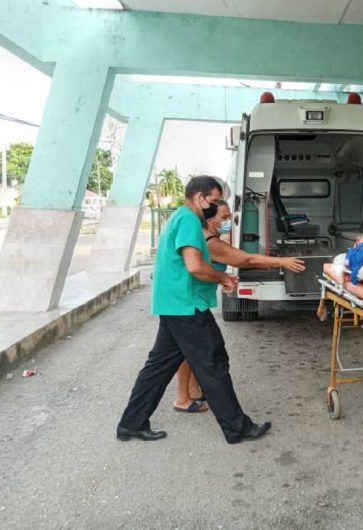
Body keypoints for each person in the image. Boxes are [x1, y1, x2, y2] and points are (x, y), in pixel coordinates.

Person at [117, 176, 271, 444]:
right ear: (200, 197)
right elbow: (195, 266)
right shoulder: (189, 219)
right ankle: (237, 428)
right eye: (214, 200)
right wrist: (222, 278)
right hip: (185, 306)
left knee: (158, 368)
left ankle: (131, 423)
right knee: (213, 363)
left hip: (173, 304)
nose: (216, 208)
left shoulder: (179, 216)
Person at [173, 199, 307, 412]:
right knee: (196, 352)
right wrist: (282, 262)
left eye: (230, 217)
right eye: (224, 218)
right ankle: (185, 398)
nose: (229, 221)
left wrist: (223, 279)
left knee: (183, 350)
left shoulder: (206, 237)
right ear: (209, 220)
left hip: (190, 300)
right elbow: (246, 259)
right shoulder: (211, 242)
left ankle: (192, 391)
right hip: (187, 303)